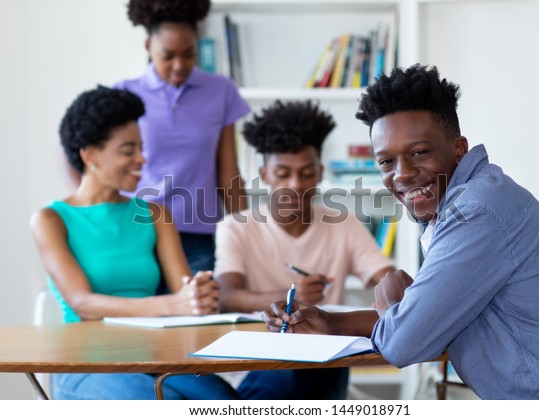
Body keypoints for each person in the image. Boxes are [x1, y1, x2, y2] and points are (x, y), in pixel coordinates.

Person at [263, 64, 539, 399]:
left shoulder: (475, 210)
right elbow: (429, 315)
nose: (403, 174)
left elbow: (403, 343)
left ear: (458, 149)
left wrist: (399, 304)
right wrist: (332, 323)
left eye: (420, 152)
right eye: (386, 162)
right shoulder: (463, 201)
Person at [30, 86, 236, 400]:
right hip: (86, 363)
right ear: (90, 155)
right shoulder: (50, 220)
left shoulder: (155, 215)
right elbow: (83, 304)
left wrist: (200, 295)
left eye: (141, 147)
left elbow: (186, 295)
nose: (142, 159)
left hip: (155, 356)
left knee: (226, 404)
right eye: (128, 150)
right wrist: (171, 304)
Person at [214, 100, 395, 399]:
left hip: (323, 363)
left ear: (321, 171)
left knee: (328, 363)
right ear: (265, 173)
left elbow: (385, 280)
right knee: (286, 376)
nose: (296, 184)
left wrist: (397, 290)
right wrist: (288, 297)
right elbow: (226, 296)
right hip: (257, 365)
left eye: (307, 173)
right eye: (283, 173)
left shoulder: (343, 223)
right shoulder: (236, 226)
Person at [114, 0, 251, 280]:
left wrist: (247, 234)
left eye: (189, 54)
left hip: (198, 236)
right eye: (168, 55)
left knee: (197, 317)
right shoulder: (124, 94)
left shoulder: (221, 90)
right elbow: (87, 159)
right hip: (137, 232)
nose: (179, 65)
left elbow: (228, 173)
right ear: (148, 47)